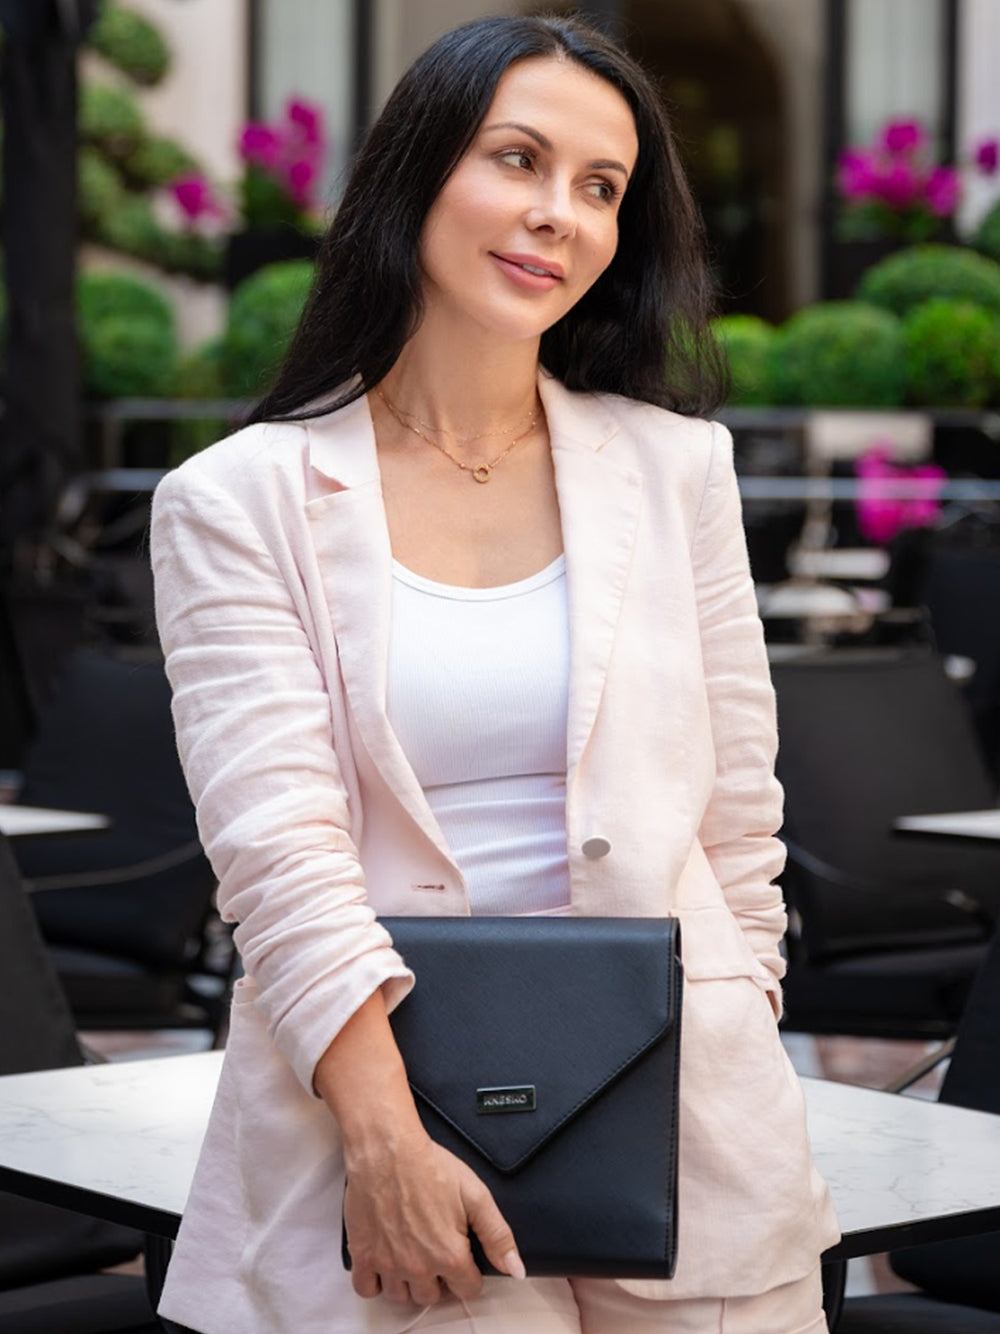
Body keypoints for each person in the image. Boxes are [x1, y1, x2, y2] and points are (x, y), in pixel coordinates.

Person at [150, 14, 839, 1334]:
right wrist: (388, 1141)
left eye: (600, 188)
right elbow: (276, 852)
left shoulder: (677, 468)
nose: (558, 214)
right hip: (388, 1129)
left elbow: (739, 813)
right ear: (416, 172)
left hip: (691, 1124)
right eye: (517, 158)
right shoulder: (239, 502)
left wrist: (735, 1016)